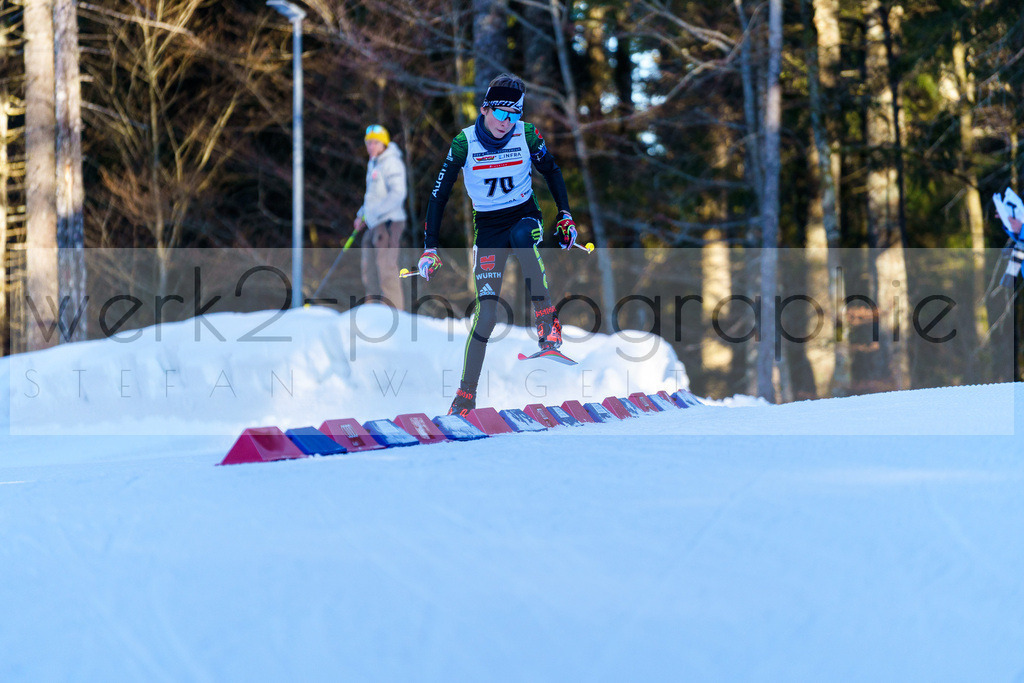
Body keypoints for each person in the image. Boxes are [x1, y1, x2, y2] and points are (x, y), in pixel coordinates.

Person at [417, 74, 580, 416]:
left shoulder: (528, 134)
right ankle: (465, 397)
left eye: (515, 115)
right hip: (488, 229)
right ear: (485, 109)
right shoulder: (464, 143)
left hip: (523, 217)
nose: (508, 123)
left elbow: (552, 171)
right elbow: (439, 195)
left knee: (523, 237)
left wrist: (564, 216)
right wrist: (431, 247)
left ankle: (547, 322)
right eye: (502, 114)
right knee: (486, 316)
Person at [354, 124, 407, 309]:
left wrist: (374, 213)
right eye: (368, 143)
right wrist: (362, 215)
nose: (371, 147)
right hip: (374, 222)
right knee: (369, 266)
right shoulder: (373, 163)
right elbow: (372, 196)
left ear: (383, 144)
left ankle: (395, 310)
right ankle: (373, 308)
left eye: (375, 143)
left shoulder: (391, 162)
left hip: (389, 221)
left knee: (386, 266)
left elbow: (398, 193)